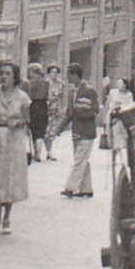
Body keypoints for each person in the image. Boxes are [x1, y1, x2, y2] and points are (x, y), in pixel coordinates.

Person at [0, 59, 31, 234]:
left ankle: (7, 216)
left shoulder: (22, 97)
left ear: (15, 77)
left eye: (8, 74)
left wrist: (18, 122)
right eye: (2, 73)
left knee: (11, 177)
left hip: (14, 139)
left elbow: (27, 119)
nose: (4, 77)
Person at [59, 62, 99, 199]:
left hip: (86, 131)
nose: (67, 78)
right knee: (83, 160)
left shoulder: (89, 90)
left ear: (74, 75)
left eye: (68, 75)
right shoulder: (72, 92)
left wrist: (79, 110)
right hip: (77, 131)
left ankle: (70, 187)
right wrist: (59, 128)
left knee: (79, 160)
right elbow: (69, 112)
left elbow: (95, 110)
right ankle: (86, 188)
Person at [25, 60, 51, 163]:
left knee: (33, 130)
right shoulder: (46, 82)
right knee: (41, 131)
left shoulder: (29, 83)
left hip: (32, 105)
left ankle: (35, 152)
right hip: (43, 106)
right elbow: (49, 96)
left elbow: (27, 96)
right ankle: (38, 154)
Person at [42, 63, 65, 160]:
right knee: (45, 130)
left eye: (56, 72)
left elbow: (61, 97)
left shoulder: (60, 84)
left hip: (55, 109)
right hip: (45, 108)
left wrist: (62, 108)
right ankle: (44, 150)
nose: (54, 74)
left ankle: (49, 151)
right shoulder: (45, 83)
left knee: (52, 131)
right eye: (52, 72)